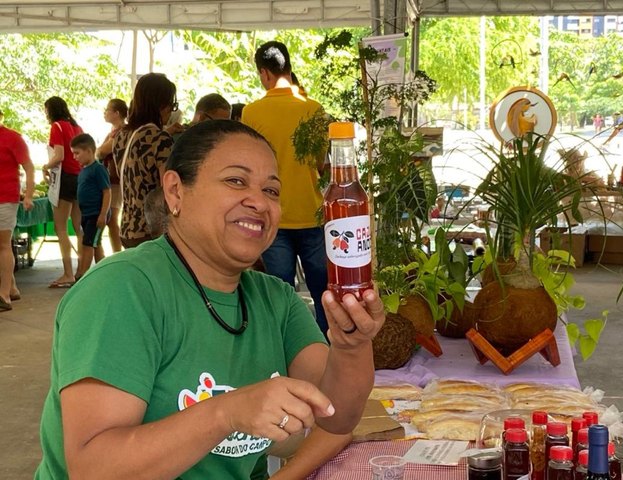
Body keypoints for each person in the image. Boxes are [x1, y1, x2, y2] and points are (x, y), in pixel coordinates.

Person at [35, 119, 384, 479]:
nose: (259, 203)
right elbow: (94, 469)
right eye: (236, 181)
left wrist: (352, 344)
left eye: (272, 191)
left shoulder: (275, 300)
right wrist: (227, 412)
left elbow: (337, 416)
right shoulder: (121, 290)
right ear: (175, 192)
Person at [242, 41, 330, 334]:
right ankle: (326, 350)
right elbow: (320, 164)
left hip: (271, 214)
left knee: (280, 292)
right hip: (312, 213)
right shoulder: (314, 110)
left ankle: (284, 350)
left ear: (264, 73)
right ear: (289, 68)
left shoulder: (251, 112)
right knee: (323, 293)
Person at [113, 73, 176, 248]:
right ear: (162, 105)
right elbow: (168, 187)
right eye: (172, 105)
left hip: (127, 226)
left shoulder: (121, 136)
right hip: (151, 230)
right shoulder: (160, 139)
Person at [42, 96, 84, 288]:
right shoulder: (76, 127)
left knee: (60, 228)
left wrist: (45, 166)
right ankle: (82, 269)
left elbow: (59, 155)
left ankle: (67, 273)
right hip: (80, 177)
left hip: (65, 178)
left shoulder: (57, 127)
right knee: (79, 227)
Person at [0, 113, 34, 310]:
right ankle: (12, 287)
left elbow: (29, 167)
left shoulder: (13, 138)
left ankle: (4, 295)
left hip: (5, 197)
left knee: (3, 244)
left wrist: (28, 195)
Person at [71, 134, 111, 278]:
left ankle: (83, 274)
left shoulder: (98, 169)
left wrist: (103, 214)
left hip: (96, 214)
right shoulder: (83, 171)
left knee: (88, 243)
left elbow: (107, 192)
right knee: (94, 242)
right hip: (86, 214)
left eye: (77, 153)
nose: (75, 157)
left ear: (88, 151)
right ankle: (104, 272)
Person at [95, 98, 128, 254]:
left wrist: (99, 150)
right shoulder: (113, 132)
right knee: (111, 219)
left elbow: (101, 151)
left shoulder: (121, 132)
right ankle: (117, 251)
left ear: (117, 113)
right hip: (110, 179)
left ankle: (117, 252)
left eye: (108, 110)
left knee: (112, 218)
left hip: (115, 180)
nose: (105, 113)